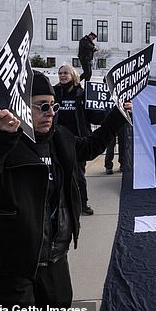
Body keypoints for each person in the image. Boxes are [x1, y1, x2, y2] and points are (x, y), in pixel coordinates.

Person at [0, 71, 130, 311]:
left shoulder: (59, 138)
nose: (50, 112)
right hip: (6, 266)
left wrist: (118, 116)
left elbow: (89, 147)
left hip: (54, 259)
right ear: (18, 108)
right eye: (42, 106)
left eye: (53, 106)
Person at [54, 64, 105, 215]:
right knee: (58, 173)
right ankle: (60, 204)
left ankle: (82, 204)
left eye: (65, 73)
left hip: (78, 141)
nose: (62, 76)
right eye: (60, 73)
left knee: (78, 175)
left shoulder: (82, 94)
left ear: (73, 75)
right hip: (57, 140)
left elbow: (95, 117)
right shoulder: (54, 92)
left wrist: (104, 111)